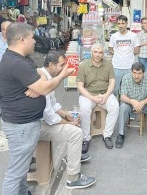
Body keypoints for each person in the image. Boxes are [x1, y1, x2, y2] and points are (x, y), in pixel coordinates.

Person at [0, 22, 78, 195]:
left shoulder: (20, 59)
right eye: (32, 38)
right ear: (22, 40)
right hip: (21, 127)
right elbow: (44, 88)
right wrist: (62, 76)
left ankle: (23, 192)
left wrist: (39, 86)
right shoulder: (16, 63)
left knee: (21, 168)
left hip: (25, 124)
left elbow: (39, 81)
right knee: (15, 172)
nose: (35, 41)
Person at [39, 52, 96, 189]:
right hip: (38, 125)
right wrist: (68, 122)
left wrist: (66, 115)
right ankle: (73, 178)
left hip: (44, 119)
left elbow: (53, 103)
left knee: (76, 115)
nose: (63, 69)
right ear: (51, 65)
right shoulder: (43, 79)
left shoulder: (47, 76)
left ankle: (73, 157)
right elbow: (49, 116)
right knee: (75, 132)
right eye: (61, 65)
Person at [77, 43, 119, 151]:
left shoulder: (108, 65)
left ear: (103, 54)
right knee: (85, 108)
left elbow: (112, 82)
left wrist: (106, 95)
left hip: (104, 93)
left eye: (100, 52)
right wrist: (92, 98)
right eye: (95, 52)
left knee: (115, 106)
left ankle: (107, 135)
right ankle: (85, 138)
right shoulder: (83, 65)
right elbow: (80, 87)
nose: (97, 55)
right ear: (91, 53)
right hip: (88, 94)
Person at [115, 62, 147, 148]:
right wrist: (132, 101)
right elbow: (122, 97)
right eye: (134, 73)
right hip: (130, 104)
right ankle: (121, 134)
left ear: (143, 73)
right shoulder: (126, 78)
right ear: (131, 72)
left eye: (139, 73)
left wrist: (142, 103)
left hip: (144, 104)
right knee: (122, 106)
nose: (136, 76)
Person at [108, 15, 140, 96]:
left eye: (123, 23)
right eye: (119, 23)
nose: (121, 25)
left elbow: (137, 50)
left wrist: (127, 54)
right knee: (114, 89)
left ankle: (127, 107)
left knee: (129, 90)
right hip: (116, 67)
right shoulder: (114, 36)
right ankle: (115, 107)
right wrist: (118, 54)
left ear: (126, 24)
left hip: (129, 67)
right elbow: (110, 49)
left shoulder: (133, 35)